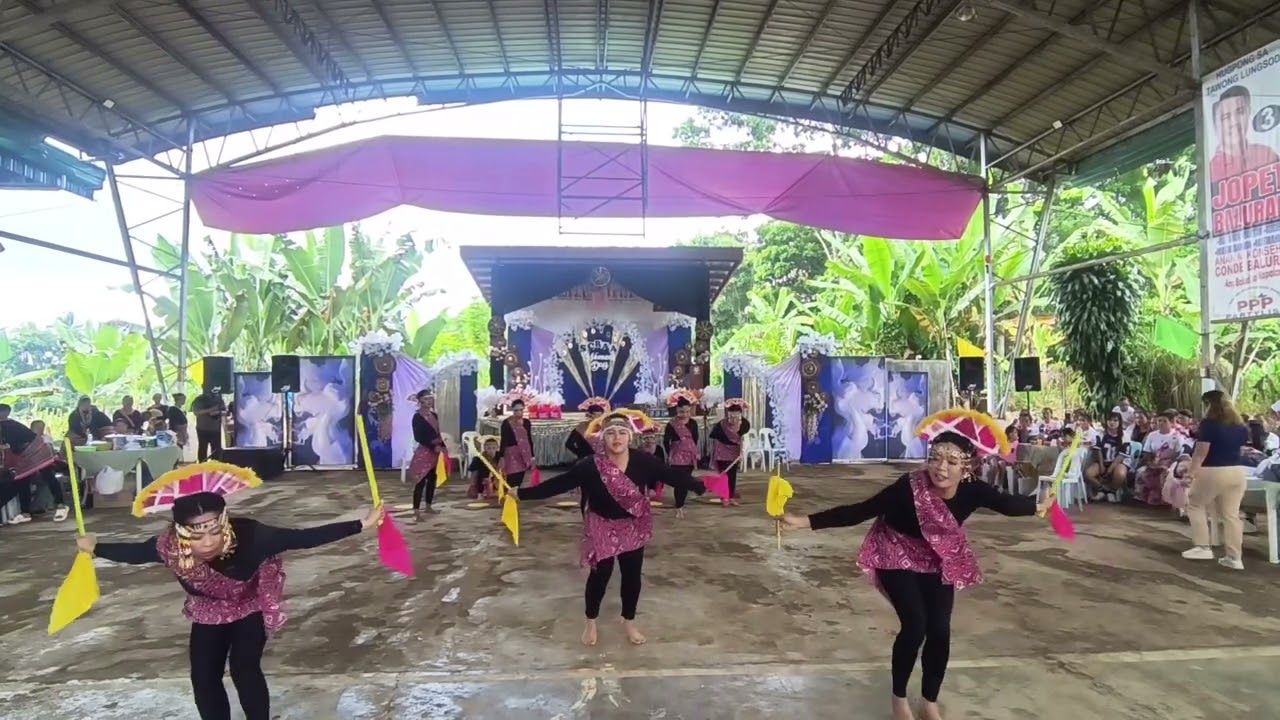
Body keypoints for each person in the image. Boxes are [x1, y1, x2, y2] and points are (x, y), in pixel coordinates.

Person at [780, 412, 1049, 720]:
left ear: (967, 467)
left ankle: (929, 701)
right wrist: (805, 522)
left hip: (938, 558)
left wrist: (1039, 507)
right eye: (935, 458)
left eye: (951, 461)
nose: (941, 468)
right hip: (895, 551)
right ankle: (899, 699)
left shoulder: (974, 489)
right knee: (915, 626)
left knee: (940, 630)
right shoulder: (909, 487)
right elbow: (861, 510)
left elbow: (1007, 504)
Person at [76, 483, 383, 720]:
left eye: (214, 532)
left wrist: (361, 524)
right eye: (196, 537)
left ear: (224, 523)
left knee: (244, 668)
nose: (207, 543)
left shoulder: (253, 535)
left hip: (249, 607)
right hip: (208, 613)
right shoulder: (168, 547)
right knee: (203, 676)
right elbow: (134, 554)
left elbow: (301, 537)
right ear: (180, 534)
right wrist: (96, 547)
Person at [515, 410, 707, 646]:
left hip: (633, 525)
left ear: (630, 438)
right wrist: (522, 493)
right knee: (600, 575)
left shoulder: (643, 461)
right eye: (611, 433)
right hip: (601, 524)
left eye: (622, 433)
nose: (617, 438)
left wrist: (698, 485)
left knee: (632, 576)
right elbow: (559, 483)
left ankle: (629, 622)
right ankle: (591, 622)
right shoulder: (590, 465)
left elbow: (670, 474)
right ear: (602, 438)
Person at [1181, 390, 1250, 570]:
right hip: (1236, 472)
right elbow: (1240, 450)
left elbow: (1200, 453)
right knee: (1231, 515)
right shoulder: (1240, 426)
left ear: (1208, 405)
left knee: (1194, 504)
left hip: (1213, 470)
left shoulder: (1209, 424)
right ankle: (1235, 557)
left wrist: (1190, 474)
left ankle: (1202, 546)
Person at [0, 415, 70, 523]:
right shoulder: (7, 425)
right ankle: (25, 513)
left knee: (47, 475)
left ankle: (61, 505)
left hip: (37, 448)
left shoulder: (8, 425)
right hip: (23, 454)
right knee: (22, 480)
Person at [1209, 85, 1279, 185]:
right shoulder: (1211, 171)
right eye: (1226, 117)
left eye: (1240, 112)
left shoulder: (1267, 155)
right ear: (1215, 124)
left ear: (1249, 112)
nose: (1234, 122)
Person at [1134, 410, 1188, 506]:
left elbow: (1178, 454)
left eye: (1164, 421)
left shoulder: (1177, 436)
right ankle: (1141, 498)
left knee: (1165, 474)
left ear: (1171, 423)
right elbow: (1147, 452)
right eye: (1159, 421)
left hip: (1170, 463)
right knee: (1140, 472)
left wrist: (1168, 464)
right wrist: (1151, 463)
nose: (1161, 423)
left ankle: (1166, 499)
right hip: (1153, 461)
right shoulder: (1152, 435)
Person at [408, 389, 445, 519]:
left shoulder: (434, 415)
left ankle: (428, 506)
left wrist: (443, 447)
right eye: (425, 399)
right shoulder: (417, 417)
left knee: (432, 480)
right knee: (420, 481)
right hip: (424, 452)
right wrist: (432, 446)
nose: (429, 401)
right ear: (420, 401)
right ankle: (416, 510)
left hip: (435, 453)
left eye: (430, 398)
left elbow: (438, 433)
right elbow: (418, 437)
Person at [662, 390, 700, 517]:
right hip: (677, 456)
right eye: (682, 412)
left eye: (687, 412)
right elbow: (666, 441)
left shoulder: (693, 423)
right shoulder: (671, 424)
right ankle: (679, 505)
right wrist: (670, 454)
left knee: (685, 480)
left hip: (689, 456)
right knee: (680, 481)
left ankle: (681, 503)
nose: (685, 414)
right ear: (677, 411)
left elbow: (695, 439)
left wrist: (692, 451)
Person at [709, 398, 750, 506]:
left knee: (732, 476)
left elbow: (743, 438)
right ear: (727, 414)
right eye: (731, 417)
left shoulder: (744, 424)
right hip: (722, 452)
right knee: (724, 476)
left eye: (737, 417)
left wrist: (742, 449)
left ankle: (731, 497)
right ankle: (724, 498)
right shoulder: (721, 425)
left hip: (734, 453)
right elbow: (713, 436)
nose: (734, 419)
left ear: (740, 414)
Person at [1086, 412, 1130, 503]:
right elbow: (1099, 450)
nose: (1112, 422)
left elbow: (1121, 455)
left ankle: (1112, 491)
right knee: (1088, 474)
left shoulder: (1124, 435)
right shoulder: (1101, 434)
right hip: (1104, 461)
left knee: (1120, 474)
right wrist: (1102, 465)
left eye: (1115, 420)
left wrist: (1110, 469)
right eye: (1109, 420)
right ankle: (1102, 489)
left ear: (1119, 422)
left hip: (1119, 462)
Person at [499, 396, 536, 488]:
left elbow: (529, 439)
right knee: (511, 477)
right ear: (512, 410)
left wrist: (532, 456)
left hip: (524, 453)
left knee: (520, 477)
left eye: (521, 410)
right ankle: (509, 497)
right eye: (516, 410)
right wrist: (502, 456)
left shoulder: (527, 422)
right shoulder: (507, 423)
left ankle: (515, 495)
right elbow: (503, 440)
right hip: (511, 454)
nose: (519, 413)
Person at [191, 390, 226, 461]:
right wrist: (211, 410)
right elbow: (197, 412)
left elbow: (225, 410)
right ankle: (202, 466)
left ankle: (215, 466)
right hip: (202, 429)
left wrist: (218, 412)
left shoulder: (218, 399)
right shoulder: (199, 399)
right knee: (203, 448)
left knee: (216, 450)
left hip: (215, 429)